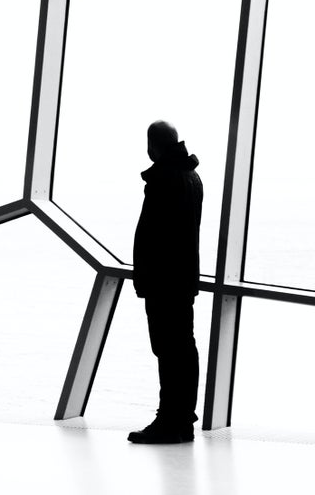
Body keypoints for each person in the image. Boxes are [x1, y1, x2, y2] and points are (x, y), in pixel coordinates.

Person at [128, 120, 203, 445]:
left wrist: (143, 277)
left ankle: (168, 421)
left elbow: (151, 235)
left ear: (153, 146)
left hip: (163, 280)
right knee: (183, 348)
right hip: (183, 279)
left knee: (168, 350)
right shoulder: (192, 178)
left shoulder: (162, 180)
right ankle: (182, 418)